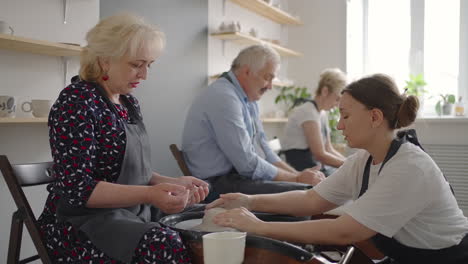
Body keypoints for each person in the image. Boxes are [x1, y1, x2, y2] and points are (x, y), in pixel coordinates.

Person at [208, 74, 468, 264]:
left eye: (345, 116)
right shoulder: (363, 160)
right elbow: (312, 200)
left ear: (375, 117)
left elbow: (345, 231)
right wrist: (249, 201)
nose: (340, 126)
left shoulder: (410, 167)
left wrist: (258, 227)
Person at [37, 13, 209, 264]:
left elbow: (132, 171)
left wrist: (175, 183)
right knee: (166, 245)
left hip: (127, 215)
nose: (144, 75)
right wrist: (150, 195)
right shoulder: (76, 102)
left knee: (200, 224)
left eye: (149, 64)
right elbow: (78, 190)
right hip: (80, 226)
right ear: (105, 60)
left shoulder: (128, 102)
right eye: (136, 64)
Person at [182, 45, 325, 199]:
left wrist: (297, 174)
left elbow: (264, 148)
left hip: (235, 178)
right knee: (303, 194)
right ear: (247, 72)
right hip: (215, 184)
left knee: (305, 188)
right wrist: (296, 179)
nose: (270, 86)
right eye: (267, 77)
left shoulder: (248, 99)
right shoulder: (224, 97)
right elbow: (247, 164)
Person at [281, 68, 347, 175]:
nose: (337, 105)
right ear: (325, 91)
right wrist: (350, 165)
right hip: (299, 167)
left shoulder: (322, 113)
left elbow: (328, 148)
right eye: (337, 99)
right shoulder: (307, 111)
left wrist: (349, 162)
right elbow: (320, 154)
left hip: (312, 165)